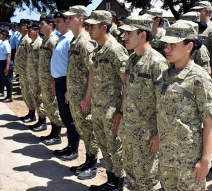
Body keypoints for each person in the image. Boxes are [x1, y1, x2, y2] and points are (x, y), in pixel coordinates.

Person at [154, 21, 212, 190]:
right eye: (166, 44)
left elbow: (210, 122)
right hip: (166, 156)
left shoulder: (199, 78)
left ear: (189, 46)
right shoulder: (165, 76)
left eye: (173, 45)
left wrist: (205, 160)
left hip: (188, 159)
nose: (166, 49)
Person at [117, 15, 168, 190]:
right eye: (124, 33)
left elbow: (166, 103)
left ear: (143, 35)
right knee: (132, 176)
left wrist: (159, 135)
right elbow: (127, 90)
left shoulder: (157, 63)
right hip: (130, 130)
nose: (124, 37)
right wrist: (121, 113)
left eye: (129, 33)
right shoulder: (131, 59)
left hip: (148, 136)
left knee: (148, 181)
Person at [85, 10, 128, 191]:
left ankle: (118, 183)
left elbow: (127, 83)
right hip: (98, 109)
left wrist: (121, 111)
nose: (88, 30)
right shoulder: (98, 49)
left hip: (111, 111)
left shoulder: (115, 49)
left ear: (104, 27)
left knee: (115, 149)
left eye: (92, 27)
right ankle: (110, 181)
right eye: (87, 26)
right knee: (105, 146)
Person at [63, 5, 99, 179]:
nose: (67, 20)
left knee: (89, 131)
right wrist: (70, 92)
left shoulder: (85, 41)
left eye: (71, 17)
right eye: (67, 18)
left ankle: (93, 166)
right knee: (83, 130)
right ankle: (87, 161)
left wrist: (88, 96)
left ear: (81, 19)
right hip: (76, 96)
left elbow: (92, 70)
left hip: (84, 98)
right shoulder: (75, 40)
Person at [48, 10, 81, 161]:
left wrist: (68, 86)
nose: (56, 23)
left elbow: (72, 66)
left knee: (70, 117)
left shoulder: (69, 39)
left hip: (67, 82)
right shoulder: (61, 38)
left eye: (59, 21)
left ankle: (74, 149)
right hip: (60, 81)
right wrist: (55, 80)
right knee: (65, 116)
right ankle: (69, 146)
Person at [37, 14, 63, 145]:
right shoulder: (45, 40)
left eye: (42, 24)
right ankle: (53, 133)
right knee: (48, 106)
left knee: (53, 107)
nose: (40, 26)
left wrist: (53, 80)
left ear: (50, 25)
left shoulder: (53, 40)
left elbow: (57, 62)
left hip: (51, 81)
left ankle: (57, 135)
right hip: (45, 80)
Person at [191, 1, 212, 77]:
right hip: (192, 71)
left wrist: (211, 76)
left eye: (198, 10)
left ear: (207, 11)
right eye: (194, 10)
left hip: (205, 72)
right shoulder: (194, 26)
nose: (195, 12)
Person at [26, 22, 47, 131]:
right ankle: (39, 120)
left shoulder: (39, 44)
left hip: (37, 78)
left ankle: (43, 122)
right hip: (31, 77)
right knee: (35, 99)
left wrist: (39, 80)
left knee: (40, 100)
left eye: (31, 30)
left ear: (37, 31)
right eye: (28, 30)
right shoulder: (32, 43)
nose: (28, 32)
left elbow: (41, 63)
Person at [14, 19, 36, 123]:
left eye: (21, 26)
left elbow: (30, 56)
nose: (19, 27)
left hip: (27, 73)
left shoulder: (27, 40)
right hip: (22, 72)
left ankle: (32, 115)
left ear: (26, 27)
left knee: (29, 93)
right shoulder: (22, 38)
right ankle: (30, 113)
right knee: (25, 94)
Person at [0, 29, 13, 102]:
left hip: (5, 63)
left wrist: (7, 67)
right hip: (1, 62)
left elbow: (8, 56)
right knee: (4, 80)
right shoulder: (2, 43)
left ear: (5, 35)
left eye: (1, 34)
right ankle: (7, 95)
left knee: (7, 80)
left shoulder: (6, 43)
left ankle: (9, 96)